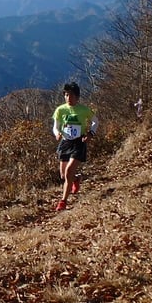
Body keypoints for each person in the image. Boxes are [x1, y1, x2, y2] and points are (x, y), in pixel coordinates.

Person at [52, 82, 98, 211]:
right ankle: (76, 179)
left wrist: (90, 133)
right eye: (66, 95)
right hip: (65, 142)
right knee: (63, 175)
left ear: (77, 97)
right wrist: (57, 134)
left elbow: (95, 121)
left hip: (79, 142)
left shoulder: (84, 110)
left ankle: (63, 201)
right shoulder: (60, 110)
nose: (68, 98)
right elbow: (55, 126)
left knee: (68, 171)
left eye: (71, 95)